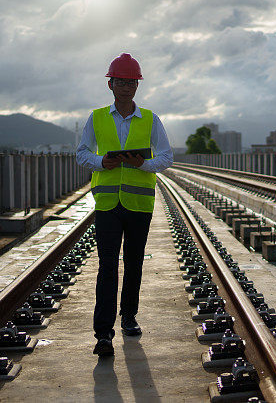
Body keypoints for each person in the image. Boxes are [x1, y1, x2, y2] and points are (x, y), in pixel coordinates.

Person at [76, 53, 173, 357]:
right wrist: (101, 162)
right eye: (121, 81)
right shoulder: (97, 117)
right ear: (111, 84)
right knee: (107, 266)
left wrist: (144, 164)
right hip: (106, 204)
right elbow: (82, 154)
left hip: (138, 204)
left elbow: (167, 158)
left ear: (137, 85)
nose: (127, 86)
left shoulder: (150, 119)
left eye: (132, 82)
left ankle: (128, 317)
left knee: (133, 263)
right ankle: (103, 332)